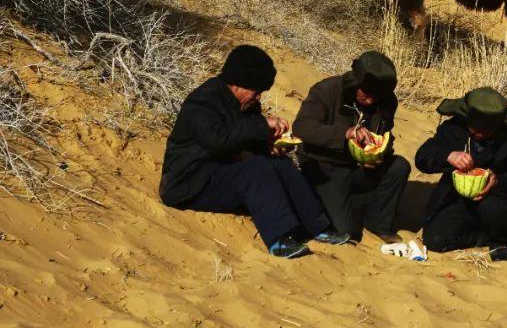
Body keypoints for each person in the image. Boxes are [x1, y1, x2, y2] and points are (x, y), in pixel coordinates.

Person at [159, 45, 349, 258]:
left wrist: (270, 145)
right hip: (188, 184)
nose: (258, 97)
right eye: (256, 90)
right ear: (239, 83)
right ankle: (279, 239)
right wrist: (262, 125)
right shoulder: (202, 101)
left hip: (221, 173)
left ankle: (317, 227)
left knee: (280, 164)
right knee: (258, 170)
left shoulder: (246, 105)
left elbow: (245, 140)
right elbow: (219, 140)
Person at [293, 51, 410, 243]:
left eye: (377, 97)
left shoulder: (387, 102)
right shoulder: (326, 90)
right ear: (354, 83)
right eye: (366, 94)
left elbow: (384, 134)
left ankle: (379, 223)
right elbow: (302, 127)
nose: (371, 101)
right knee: (347, 231)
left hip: (359, 167)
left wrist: (379, 154)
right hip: (325, 166)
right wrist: (344, 134)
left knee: (399, 166)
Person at [415, 87, 507, 261]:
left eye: (487, 129)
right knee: (435, 241)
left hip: (497, 202)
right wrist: (447, 155)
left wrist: (498, 180)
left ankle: (498, 240)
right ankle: (482, 236)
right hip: (457, 198)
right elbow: (422, 158)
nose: (479, 133)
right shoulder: (453, 129)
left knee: (492, 208)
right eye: (475, 127)